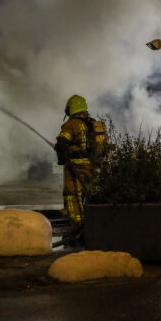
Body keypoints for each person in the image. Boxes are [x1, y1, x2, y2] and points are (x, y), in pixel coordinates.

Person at [55, 94, 98, 245]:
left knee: (72, 195)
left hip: (76, 165)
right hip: (91, 165)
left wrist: (61, 151)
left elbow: (62, 141)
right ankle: (91, 224)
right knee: (88, 194)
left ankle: (77, 226)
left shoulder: (72, 124)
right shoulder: (92, 124)